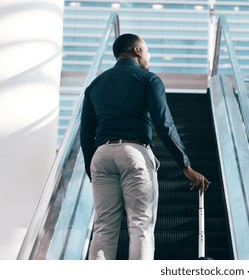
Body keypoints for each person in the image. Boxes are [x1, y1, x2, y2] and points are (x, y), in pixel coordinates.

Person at [80, 33, 210, 260]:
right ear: (137, 50)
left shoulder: (95, 85)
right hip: (134, 152)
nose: (149, 54)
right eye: (147, 49)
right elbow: (164, 122)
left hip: (100, 156)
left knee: (103, 227)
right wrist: (185, 165)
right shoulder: (149, 79)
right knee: (141, 225)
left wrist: (91, 168)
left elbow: (85, 133)